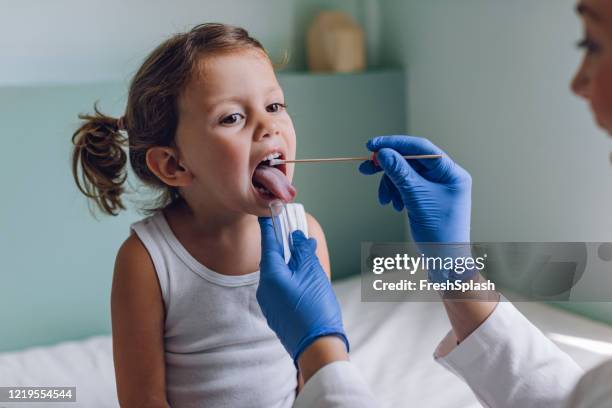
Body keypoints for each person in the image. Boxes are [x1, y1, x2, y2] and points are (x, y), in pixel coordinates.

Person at [256, 0, 612, 406]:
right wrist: (456, 271)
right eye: (231, 117)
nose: (578, 83)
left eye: (593, 44)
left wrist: (319, 351)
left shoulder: (309, 234)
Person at [71, 23, 333, 407]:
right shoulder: (146, 261)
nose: (269, 127)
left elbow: (316, 376)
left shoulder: (305, 236)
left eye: (274, 106)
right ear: (174, 165)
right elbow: (142, 400)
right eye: (232, 118)